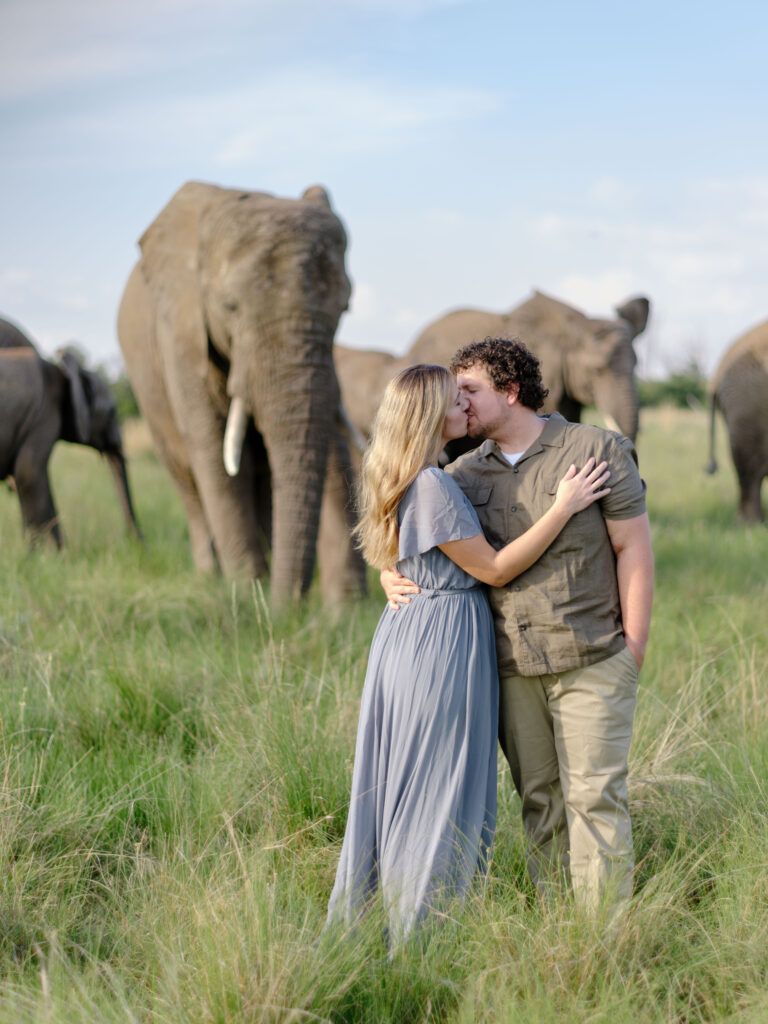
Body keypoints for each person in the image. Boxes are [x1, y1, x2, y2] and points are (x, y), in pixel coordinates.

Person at [326, 363, 611, 944]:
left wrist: (390, 572)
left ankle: (396, 924)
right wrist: (564, 505)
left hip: (413, 636)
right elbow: (495, 567)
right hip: (439, 644)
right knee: (438, 788)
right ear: (433, 413)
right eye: (456, 400)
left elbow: (397, 549)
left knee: (409, 781)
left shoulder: (412, 474)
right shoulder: (432, 484)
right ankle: (420, 939)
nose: (466, 407)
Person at [383, 340, 654, 914]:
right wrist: (389, 572)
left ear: (510, 391)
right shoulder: (460, 471)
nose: (459, 404)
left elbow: (632, 546)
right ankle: (558, 928)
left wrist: (635, 644)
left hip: (593, 654)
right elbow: (400, 510)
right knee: (539, 800)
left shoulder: (595, 449)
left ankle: (603, 937)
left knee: (595, 797)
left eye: (470, 392)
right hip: (509, 665)